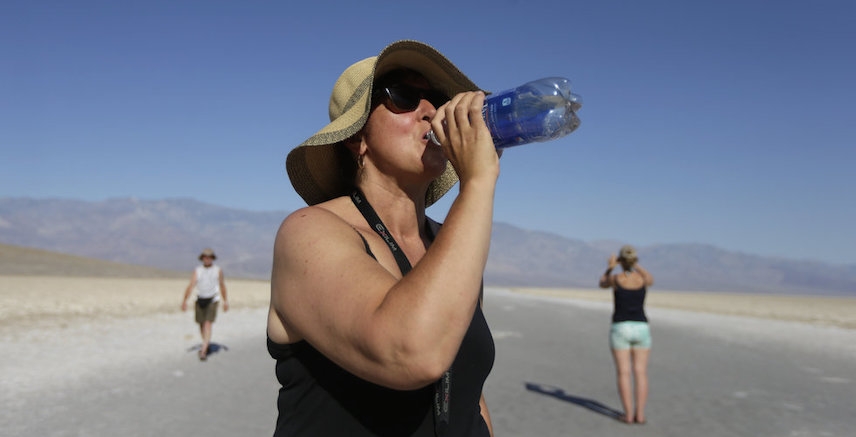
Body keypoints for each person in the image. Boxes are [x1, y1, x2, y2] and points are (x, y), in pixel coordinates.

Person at [267, 40, 499, 436]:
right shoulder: (309, 231)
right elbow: (411, 352)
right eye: (404, 97)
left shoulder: (449, 241)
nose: (431, 111)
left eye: (438, 100)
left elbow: (467, 392)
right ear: (357, 138)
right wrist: (477, 183)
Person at [599, 244, 654, 424]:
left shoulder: (616, 279)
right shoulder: (642, 279)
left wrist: (611, 266)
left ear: (621, 260)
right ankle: (641, 414)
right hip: (641, 327)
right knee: (640, 372)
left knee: (624, 372)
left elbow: (602, 283)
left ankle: (628, 415)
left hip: (621, 327)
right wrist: (635, 264)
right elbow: (650, 279)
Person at [181, 248, 229, 361]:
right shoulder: (198, 270)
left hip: (212, 300)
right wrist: (185, 300)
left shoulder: (218, 270)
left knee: (208, 323)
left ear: (212, 258)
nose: (207, 259)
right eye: (205, 257)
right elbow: (191, 285)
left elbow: (222, 285)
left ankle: (203, 351)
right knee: (201, 324)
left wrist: (225, 301)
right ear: (202, 258)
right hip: (200, 300)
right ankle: (206, 343)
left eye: (209, 257)